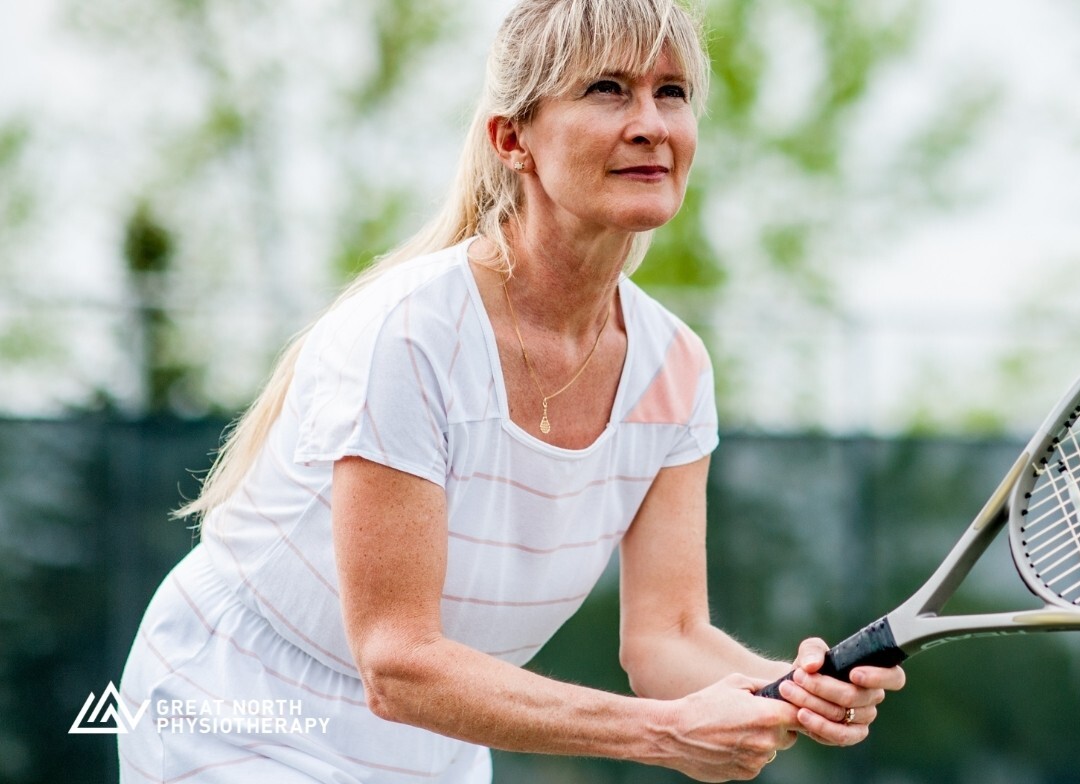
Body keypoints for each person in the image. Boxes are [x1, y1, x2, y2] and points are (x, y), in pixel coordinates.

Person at [116, 0, 905, 781]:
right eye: (606, 89)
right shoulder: (410, 333)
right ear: (511, 137)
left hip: (436, 737)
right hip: (231, 709)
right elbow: (397, 663)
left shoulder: (675, 367)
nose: (651, 124)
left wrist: (788, 691)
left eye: (672, 93)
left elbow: (666, 636)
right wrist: (664, 733)